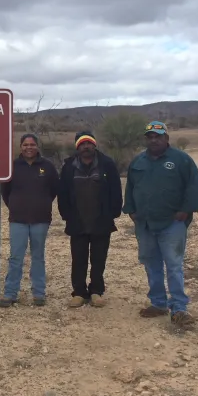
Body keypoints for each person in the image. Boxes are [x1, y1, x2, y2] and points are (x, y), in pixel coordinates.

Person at [122, 121, 198, 328]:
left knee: (174, 265)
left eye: (158, 136)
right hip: (145, 223)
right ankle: (158, 303)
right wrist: (130, 210)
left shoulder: (181, 160)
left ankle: (179, 308)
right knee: (151, 264)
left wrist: (186, 209)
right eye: (150, 136)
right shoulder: (138, 161)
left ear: (166, 138)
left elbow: (195, 187)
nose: (153, 140)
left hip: (172, 223)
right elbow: (130, 187)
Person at [58, 131, 123, 308]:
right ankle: (79, 293)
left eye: (89, 143)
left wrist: (113, 213)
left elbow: (116, 190)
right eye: (82, 144)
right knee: (78, 259)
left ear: (94, 145)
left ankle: (96, 291)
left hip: (101, 221)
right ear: (77, 147)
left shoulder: (107, 164)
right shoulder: (69, 166)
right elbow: (62, 192)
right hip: (77, 221)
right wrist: (66, 215)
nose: (86, 147)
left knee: (99, 259)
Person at [0, 133, 59, 307]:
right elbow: (5, 192)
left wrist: (43, 203)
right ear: (20, 147)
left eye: (32, 144)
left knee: (38, 256)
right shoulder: (12, 166)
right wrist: (16, 206)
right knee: (16, 257)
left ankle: (39, 293)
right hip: (18, 219)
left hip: (41, 220)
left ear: (37, 147)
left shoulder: (47, 167)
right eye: (25, 145)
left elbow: (54, 189)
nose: (29, 148)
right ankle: (10, 293)